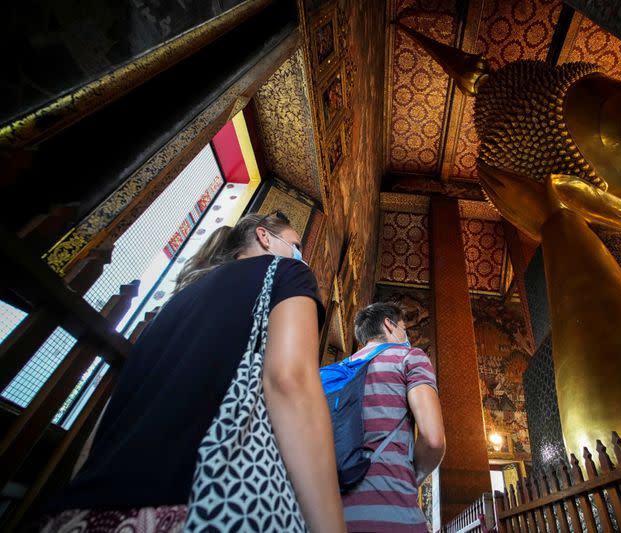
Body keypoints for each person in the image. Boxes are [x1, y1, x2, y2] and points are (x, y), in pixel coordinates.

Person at [36, 213, 345, 533]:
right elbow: (289, 380)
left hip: (82, 512)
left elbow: (105, 419)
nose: (300, 255)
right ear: (265, 237)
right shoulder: (287, 271)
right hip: (200, 506)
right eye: (296, 245)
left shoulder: (175, 303)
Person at [342, 302, 445, 532]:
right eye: (404, 329)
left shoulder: (338, 371)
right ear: (389, 325)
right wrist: (412, 477)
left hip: (330, 514)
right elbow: (433, 439)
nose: (405, 335)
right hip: (392, 510)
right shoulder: (410, 357)